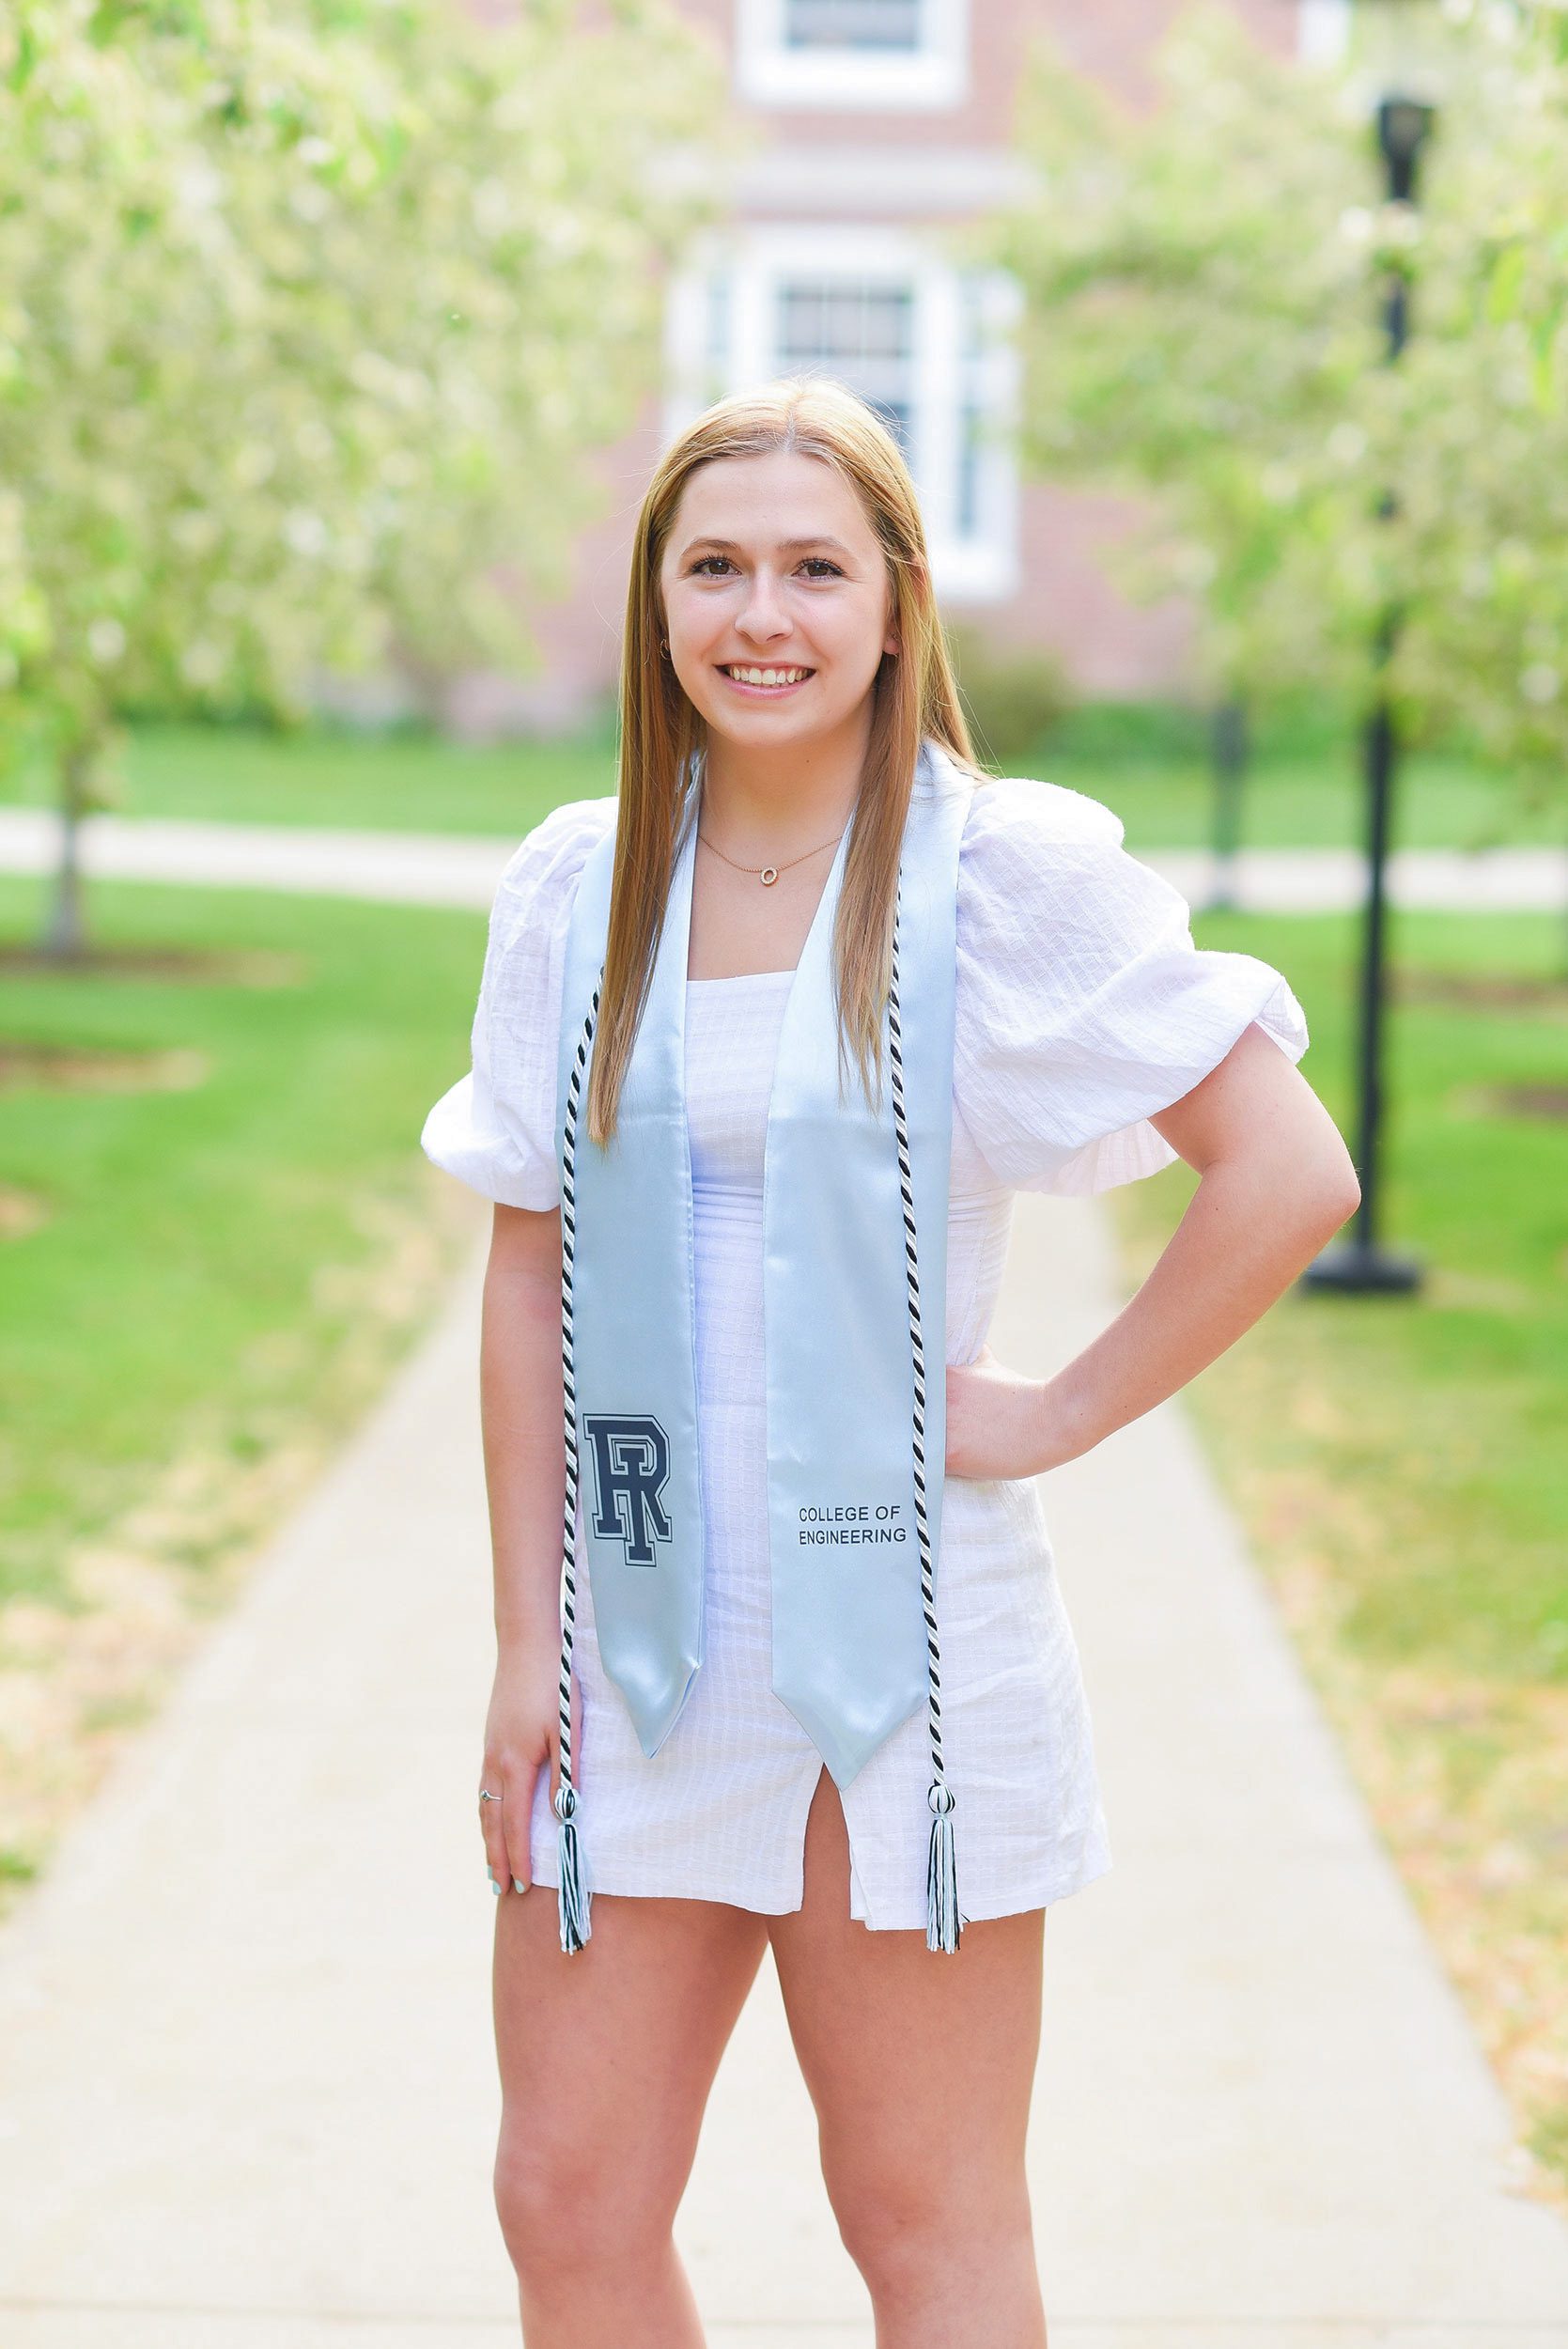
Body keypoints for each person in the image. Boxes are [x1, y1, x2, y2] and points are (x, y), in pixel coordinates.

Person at [420, 376, 1361, 2349]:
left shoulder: (997, 877)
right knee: (563, 2193)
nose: (761, 613)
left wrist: (1049, 1410)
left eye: (813, 568)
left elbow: (1286, 1170)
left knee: (921, 2220)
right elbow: (530, 1269)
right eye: (716, 566)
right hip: (637, 1631)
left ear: (894, 600)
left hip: (910, 1649)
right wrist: (527, 1641)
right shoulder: (579, 883)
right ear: (656, 602)